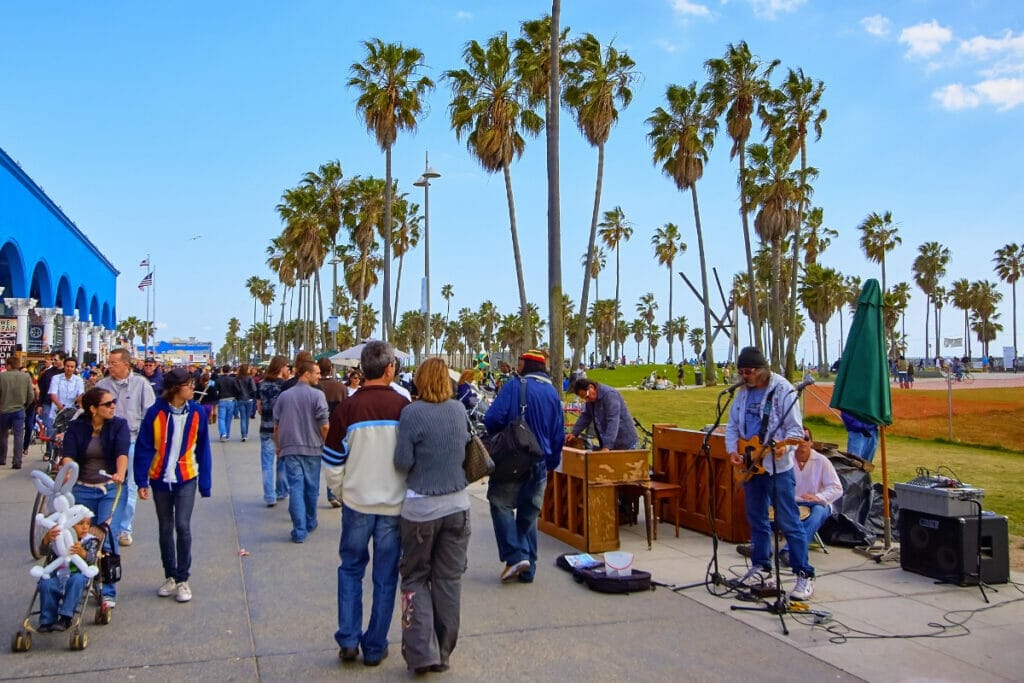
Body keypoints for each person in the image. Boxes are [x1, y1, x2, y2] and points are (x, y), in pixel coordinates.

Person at [322, 340, 409, 666]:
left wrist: (343, 493)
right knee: (386, 578)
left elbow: (331, 460)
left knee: (350, 570)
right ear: (390, 368)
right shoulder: (404, 406)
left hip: (357, 504)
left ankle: (347, 638)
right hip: (393, 506)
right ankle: (374, 645)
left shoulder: (347, 409)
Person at [393, 358, 471, 674]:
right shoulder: (458, 410)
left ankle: (420, 652)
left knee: (414, 577)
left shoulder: (411, 414)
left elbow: (402, 462)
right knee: (448, 581)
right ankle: (445, 650)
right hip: (457, 507)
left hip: (421, 509)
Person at [725, 346, 815, 601]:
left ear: (762, 369)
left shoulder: (782, 390)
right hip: (750, 466)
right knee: (756, 519)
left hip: (778, 469)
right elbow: (732, 426)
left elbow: (796, 433)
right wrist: (732, 450)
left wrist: (780, 448)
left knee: (788, 521)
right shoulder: (742, 393)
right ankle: (762, 568)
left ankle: (803, 574)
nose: (745, 376)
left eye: (750, 371)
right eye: (741, 372)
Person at [483, 350, 564, 583]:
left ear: (528, 365)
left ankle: (515, 555)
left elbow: (492, 419)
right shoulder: (552, 393)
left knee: (500, 503)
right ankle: (528, 569)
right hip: (541, 462)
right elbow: (559, 433)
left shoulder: (515, 386)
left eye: (519, 362)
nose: (516, 366)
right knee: (528, 515)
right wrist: (552, 461)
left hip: (513, 459)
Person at [134, 367, 212, 604]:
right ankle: (169, 575)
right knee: (165, 528)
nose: (193, 388)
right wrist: (141, 480)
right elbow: (144, 446)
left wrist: (205, 483)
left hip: (187, 476)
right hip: (159, 478)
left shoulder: (198, 412)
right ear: (177, 388)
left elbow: (203, 449)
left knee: (183, 526)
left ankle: (182, 578)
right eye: (189, 384)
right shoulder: (155, 412)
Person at [60, 387, 130, 610]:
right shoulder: (76, 427)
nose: (112, 407)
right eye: (107, 404)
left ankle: (108, 590)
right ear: (92, 409)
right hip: (82, 488)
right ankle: (78, 583)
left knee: (106, 536)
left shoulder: (118, 425)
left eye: (113, 403)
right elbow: (68, 454)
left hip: (110, 488)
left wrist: (120, 473)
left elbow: (122, 453)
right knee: (81, 537)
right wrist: (68, 470)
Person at [96, 348, 156, 548]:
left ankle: (124, 528)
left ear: (126, 365)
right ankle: (102, 524)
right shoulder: (102, 386)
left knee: (129, 486)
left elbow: (150, 415)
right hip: (105, 443)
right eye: (109, 363)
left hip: (132, 441)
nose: (110, 366)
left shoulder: (141, 384)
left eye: (114, 363)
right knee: (102, 483)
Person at [273, 359, 329, 543]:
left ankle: (299, 530)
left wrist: (277, 445)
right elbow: (324, 424)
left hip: (290, 447)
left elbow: (277, 425)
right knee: (311, 487)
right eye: (317, 373)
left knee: (296, 488)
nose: (319, 376)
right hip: (313, 447)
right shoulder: (317, 396)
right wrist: (326, 442)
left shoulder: (284, 396)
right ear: (306, 374)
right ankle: (310, 521)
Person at [36, 508, 101, 632]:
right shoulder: (59, 537)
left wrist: (82, 552)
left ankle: (66, 617)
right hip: (57, 573)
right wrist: (46, 540)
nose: (85, 527)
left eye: (88, 523)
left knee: (76, 580)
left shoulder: (89, 541)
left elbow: (93, 559)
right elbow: (43, 552)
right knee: (46, 585)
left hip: (78, 574)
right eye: (80, 524)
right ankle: (47, 619)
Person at [567, 378, 638, 451]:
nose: (587, 400)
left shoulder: (610, 395)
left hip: (625, 443)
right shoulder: (591, 400)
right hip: (609, 443)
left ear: (591, 387)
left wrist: (607, 446)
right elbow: (585, 416)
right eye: (584, 398)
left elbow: (613, 421)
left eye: (587, 396)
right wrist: (574, 433)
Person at [257, 356, 290, 507]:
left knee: (266, 463)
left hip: (265, 426)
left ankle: (269, 495)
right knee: (282, 462)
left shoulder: (261, 384)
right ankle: (281, 491)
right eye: (286, 366)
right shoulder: (285, 385)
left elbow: (258, 408)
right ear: (281, 367)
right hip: (281, 428)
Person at [0, 364, 35, 469]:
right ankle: (17, 461)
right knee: (19, 436)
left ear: (9, 365)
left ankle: (2, 458)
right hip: (19, 410)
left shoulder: (2, 376)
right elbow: (31, 395)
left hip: (3, 410)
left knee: (2, 435)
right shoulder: (26, 376)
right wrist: (25, 406)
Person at [49, 356, 85, 424]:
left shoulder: (79, 380)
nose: (69, 368)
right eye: (67, 366)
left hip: (72, 413)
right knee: (53, 433)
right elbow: (53, 395)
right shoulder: (56, 378)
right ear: (64, 366)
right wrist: (61, 408)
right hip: (56, 411)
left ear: (75, 368)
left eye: (72, 367)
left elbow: (80, 394)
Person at [215, 365, 241, 441]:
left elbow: (215, 390)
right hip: (231, 400)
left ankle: (223, 433)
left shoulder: (218, 380)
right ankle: (227, 434)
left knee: (221, 418)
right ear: (229, 371)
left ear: (222, 370)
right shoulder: (233, 380)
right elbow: (238, 390)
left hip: (222, 400)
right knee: (228, 419)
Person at [235, 364, 258, 443]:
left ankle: (243, 434)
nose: (250, 370)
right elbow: (254, 389)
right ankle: (245, 434)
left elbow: (236, 389)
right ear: (246, 370)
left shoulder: (237, 378)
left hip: (240, 399)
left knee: (242, 418)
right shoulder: (250, 378)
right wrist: (252, 396)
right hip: (249, 399)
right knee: (247, 418)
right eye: (248, 368)